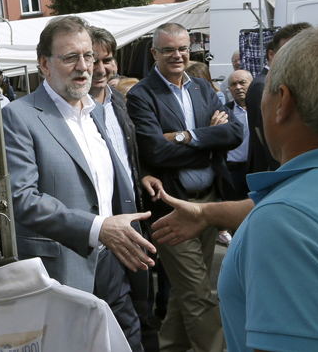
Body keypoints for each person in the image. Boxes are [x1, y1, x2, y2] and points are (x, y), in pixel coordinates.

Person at [150, 24, 318, 352]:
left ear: (282, 102)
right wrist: (206, 212)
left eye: (265, 88)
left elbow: (292, 217)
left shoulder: (286, 224)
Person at [2, 16, 158, 352]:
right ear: (44, 64)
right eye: (71, 57)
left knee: (129, 342)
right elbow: (21, 198)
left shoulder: (97, 111)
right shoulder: (20, 116)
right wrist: (97, 228)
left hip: (115, 259)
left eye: (88, 56)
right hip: (63, 268)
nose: (84, 66)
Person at [125, 23, 242, 352]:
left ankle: (169, 347)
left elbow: (235, 134)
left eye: (182, 49)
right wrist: (209, 138)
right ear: (154, 54)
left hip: (206, 204)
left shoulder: (202, 89)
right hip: (173, 208)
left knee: (187, 290)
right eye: (169, 50)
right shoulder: (142, 95)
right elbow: (154, 150)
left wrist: (188, 137)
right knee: (198, 294)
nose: (177, 55)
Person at [88, 26, 161, 352]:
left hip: (133, 223)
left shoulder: (120, 102)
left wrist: (141, 175)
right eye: (94, 60)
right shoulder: (66, 112)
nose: (101, 69)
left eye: (108, 60)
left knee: (143, 308)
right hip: (97, 234)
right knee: (110, 317)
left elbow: (128, 153)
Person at [245, 23, 312, 173]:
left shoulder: (307, 84)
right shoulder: (262, 86)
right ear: (272, 55)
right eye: (289, 52)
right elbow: (267, 142)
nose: (296, 57)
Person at [224, 70, 253, 201]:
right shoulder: (224, 111)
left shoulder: (261, 108)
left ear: (252, 84)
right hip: (234, 170)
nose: (238, 87)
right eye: (233, 84)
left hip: (257, 168)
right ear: (229, 89)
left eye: (242, 83)